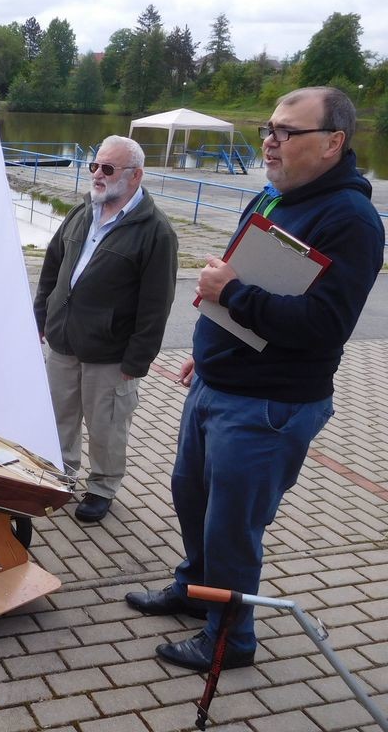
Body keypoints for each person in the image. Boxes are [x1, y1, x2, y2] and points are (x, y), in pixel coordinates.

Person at [126, 87, 384, 671]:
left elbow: (325, 324)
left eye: (288, 131)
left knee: (231, 529)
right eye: (269, 128)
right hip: (218, 382)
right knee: (192, 498)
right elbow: (246, 279)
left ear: (333, 143)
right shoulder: (273, 197)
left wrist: (233, 296)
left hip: (269, 405)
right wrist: (210, 349)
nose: (270, 140)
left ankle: (229, 639)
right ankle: (197, 590)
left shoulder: (351, 219)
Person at [33, 135, 177, 522]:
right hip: (64, 340)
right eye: (94, 165)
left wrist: (138, 359)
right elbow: (52, 266)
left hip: (111, 352)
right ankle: (60, 474)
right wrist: (40, 316)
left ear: (135, 176)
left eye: (108, 168)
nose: (97, 174)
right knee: (59, 415)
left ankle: (102, 487)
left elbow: (157, 304)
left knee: (107, 425)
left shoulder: (156, 231)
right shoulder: (82, 212)